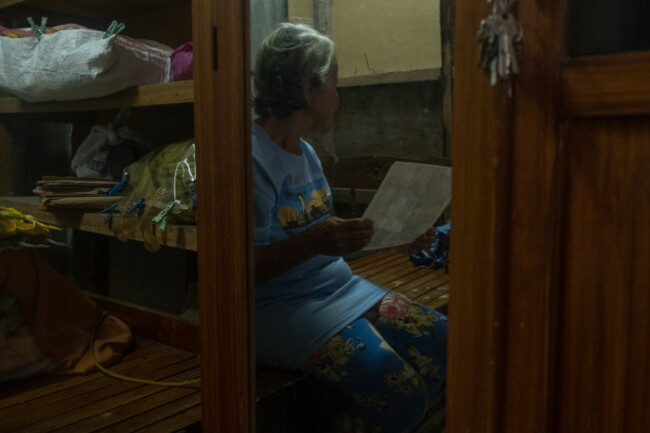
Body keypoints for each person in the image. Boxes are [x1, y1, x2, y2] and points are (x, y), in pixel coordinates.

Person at [253, 22, 447, 433]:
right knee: (400, 391)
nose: (338, 100)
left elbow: (326, 243)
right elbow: (240, 270)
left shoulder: (305, 152)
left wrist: (394, 241)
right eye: (334, 86)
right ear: (308, 91)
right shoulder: (250, 160)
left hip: (336, 289)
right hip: (278, 308)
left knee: (445, 343)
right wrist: (315, 240)